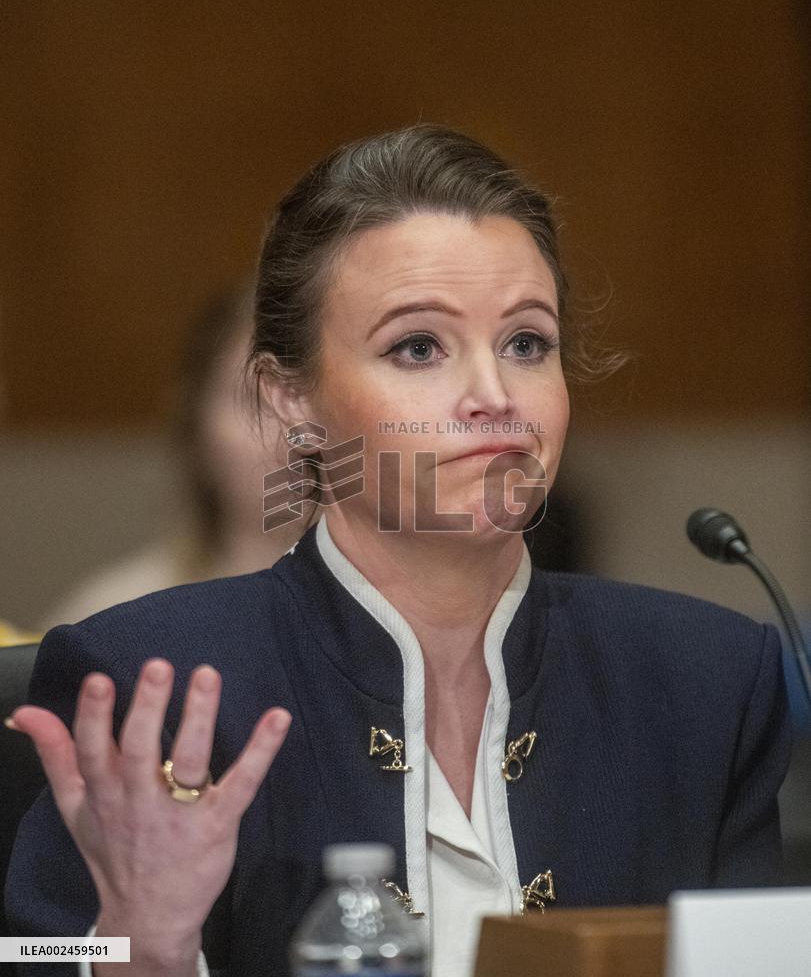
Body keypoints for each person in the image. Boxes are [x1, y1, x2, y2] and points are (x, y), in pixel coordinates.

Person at [4, 125, 791, 977]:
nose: (493, 396)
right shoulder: (148, 674)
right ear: (291, 402)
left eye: (526, 343)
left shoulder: (702, 681)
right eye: (418, 347)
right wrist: (137, 942)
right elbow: (22, 950)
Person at [41, 284, 314, 628]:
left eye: (316, 399)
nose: (296, 433)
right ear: (194, 426)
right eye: (255, 402)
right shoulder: (108, 620)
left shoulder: (395, 617)